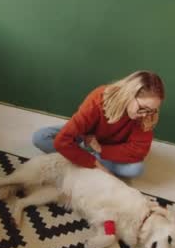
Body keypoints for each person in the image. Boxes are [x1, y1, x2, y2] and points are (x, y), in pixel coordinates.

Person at [32, 71, 164, 178]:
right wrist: (95, 164)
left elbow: (138, 151)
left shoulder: (148, 115)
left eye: (152, 110)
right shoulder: (99, 97)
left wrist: (101, 149)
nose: (146, 115)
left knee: (136, 169)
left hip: (109, 148)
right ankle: (85, 157)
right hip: (86, 136)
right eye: (143, 108)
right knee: (40, 137)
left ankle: (79, 156)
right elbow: (62, 141)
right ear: (129, 95)